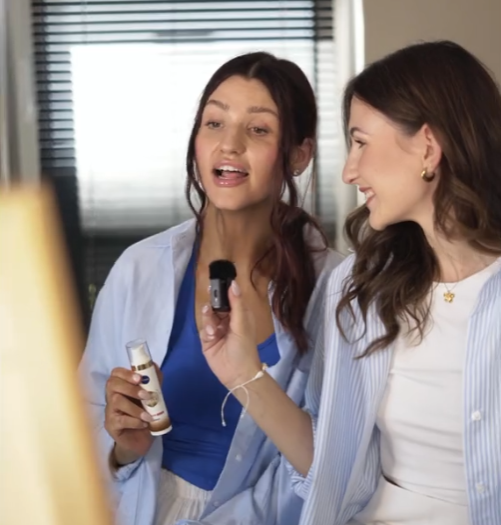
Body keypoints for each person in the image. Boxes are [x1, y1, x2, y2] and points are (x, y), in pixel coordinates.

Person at [197, 41, 501, 525]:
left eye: (361, 142)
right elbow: (337, 474)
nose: (348, 171)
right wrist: (243, 373)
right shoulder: (360, 288)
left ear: (427, 146)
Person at [79, 51, 343, 525]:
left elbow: (339, 465)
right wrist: (122, 448)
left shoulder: (338, 288)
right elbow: (82, 422)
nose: (229, 145)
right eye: (214, 123)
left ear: (299, 154)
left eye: (258, 129)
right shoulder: (139, 268)